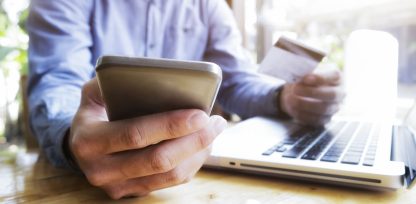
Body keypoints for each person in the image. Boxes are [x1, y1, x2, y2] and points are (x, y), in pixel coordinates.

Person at [27, 0, 344, 199]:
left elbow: (234, 81)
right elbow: (58, 78)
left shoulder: (210, 6)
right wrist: (72, 136)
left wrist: (284, 97)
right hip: (70, 185)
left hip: (190, 182)